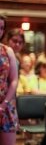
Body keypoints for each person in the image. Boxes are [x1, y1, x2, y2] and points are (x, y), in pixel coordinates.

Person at [0, 15, 19, 145]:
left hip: (5, 106)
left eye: (1, 28)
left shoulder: (7, 51)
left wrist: (4, 104)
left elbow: (14, 80)